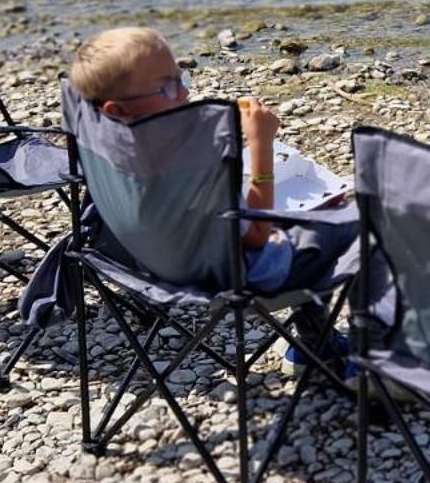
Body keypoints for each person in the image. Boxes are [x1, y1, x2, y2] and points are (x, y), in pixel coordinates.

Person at [67, 25, 357, 296]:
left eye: (180, 78)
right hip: (247, 274)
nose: (184, 92)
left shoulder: (104, 147)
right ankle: (350, 341)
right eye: (166, 88)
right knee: (364, 219)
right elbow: (257, 236)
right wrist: (261, 143)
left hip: (152, 263)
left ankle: (315, 343)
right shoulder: (192, 165)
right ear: (116, 109)